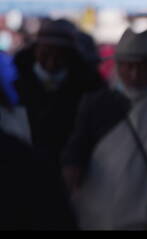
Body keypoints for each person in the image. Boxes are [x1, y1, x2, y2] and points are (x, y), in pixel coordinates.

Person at [62, 28, 147, 230]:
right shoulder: (96, 104)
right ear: (117, 66)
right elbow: (78, 145)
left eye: (143, 66)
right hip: (96, 218)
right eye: (128, 66)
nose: (135, 73)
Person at [13, 20, 105, 170]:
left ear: (71, 56)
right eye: (46, 54)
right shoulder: (12, 84)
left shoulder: (89, 88)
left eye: (60, 55)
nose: (51, 63)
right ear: (35, 50)